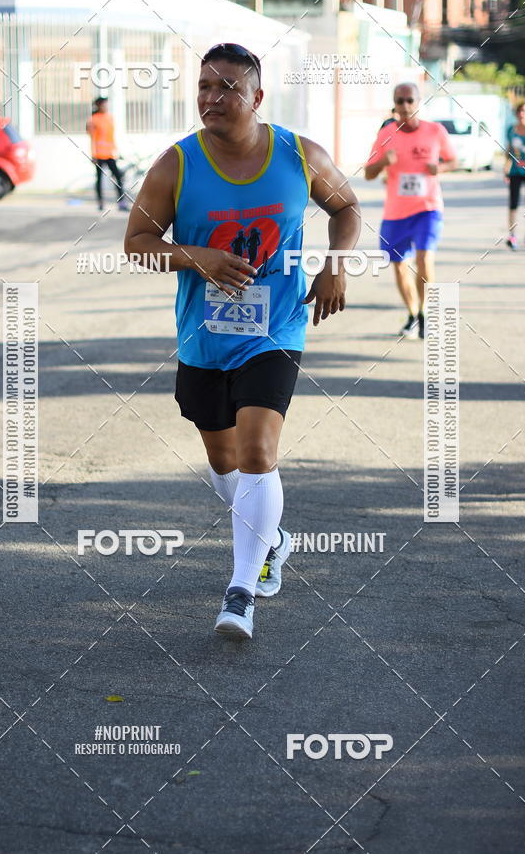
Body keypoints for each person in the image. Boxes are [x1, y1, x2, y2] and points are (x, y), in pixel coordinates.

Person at [124, 42, 360, 639]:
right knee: (224, 462)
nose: (212, 97)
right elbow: (136, 245)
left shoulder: (298, 154)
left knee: (259, 453)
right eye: (204, 85)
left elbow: (347, 206)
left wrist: (335, 265)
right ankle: (274, 538)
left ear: (257, 97)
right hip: (204, 338)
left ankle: (240, 592)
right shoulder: (175, 165)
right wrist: (195, 256)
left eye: (227, 87)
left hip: (275, 328)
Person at [365, 83, 457, 339]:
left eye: (409, 100)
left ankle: (425, 311)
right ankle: (413, 313)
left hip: (428, 208)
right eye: (400, 101)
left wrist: (442, 168)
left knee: (425, 259)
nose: (405, 106)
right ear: (394, 104)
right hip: (396, 212)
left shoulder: (435, 131)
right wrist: (384, 161)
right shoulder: (386, 134)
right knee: (398, 265)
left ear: (419, 102)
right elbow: (368, 173)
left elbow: (453, 160)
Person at [86, 97, 128, 212]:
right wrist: (93, 154)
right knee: (99, 179)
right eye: (104, 105)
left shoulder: (110, 118)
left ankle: (122, 203)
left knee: (118, 177)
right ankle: (100, 202)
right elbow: (92, 138)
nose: (106, 107)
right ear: (98, 105)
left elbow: (111, 137)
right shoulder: (93, 119)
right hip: (99, 155)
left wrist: (117, 152)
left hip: (110, 154)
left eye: (107, 105)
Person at [505, 100, 525, 251]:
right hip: (515, 172)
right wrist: (506, 168)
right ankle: (512, 235)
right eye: (520, 111)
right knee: (513, 204)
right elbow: (508, 150)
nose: (522, 114)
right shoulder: (511, 129)